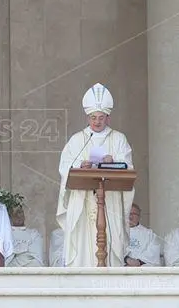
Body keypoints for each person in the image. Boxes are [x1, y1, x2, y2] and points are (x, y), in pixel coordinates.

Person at [55, 83, 135, 267]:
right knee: (84, 243)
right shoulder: (77, 139)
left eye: (101, 118)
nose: (97, 122)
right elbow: (64, 166)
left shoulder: (118, 139)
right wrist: (79, 166)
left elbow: (128, 167)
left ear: (108, 117)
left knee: (110, 240)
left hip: (110, 199)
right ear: (87, 117)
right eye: (93, 117)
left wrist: (113, 162)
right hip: (83, 201)